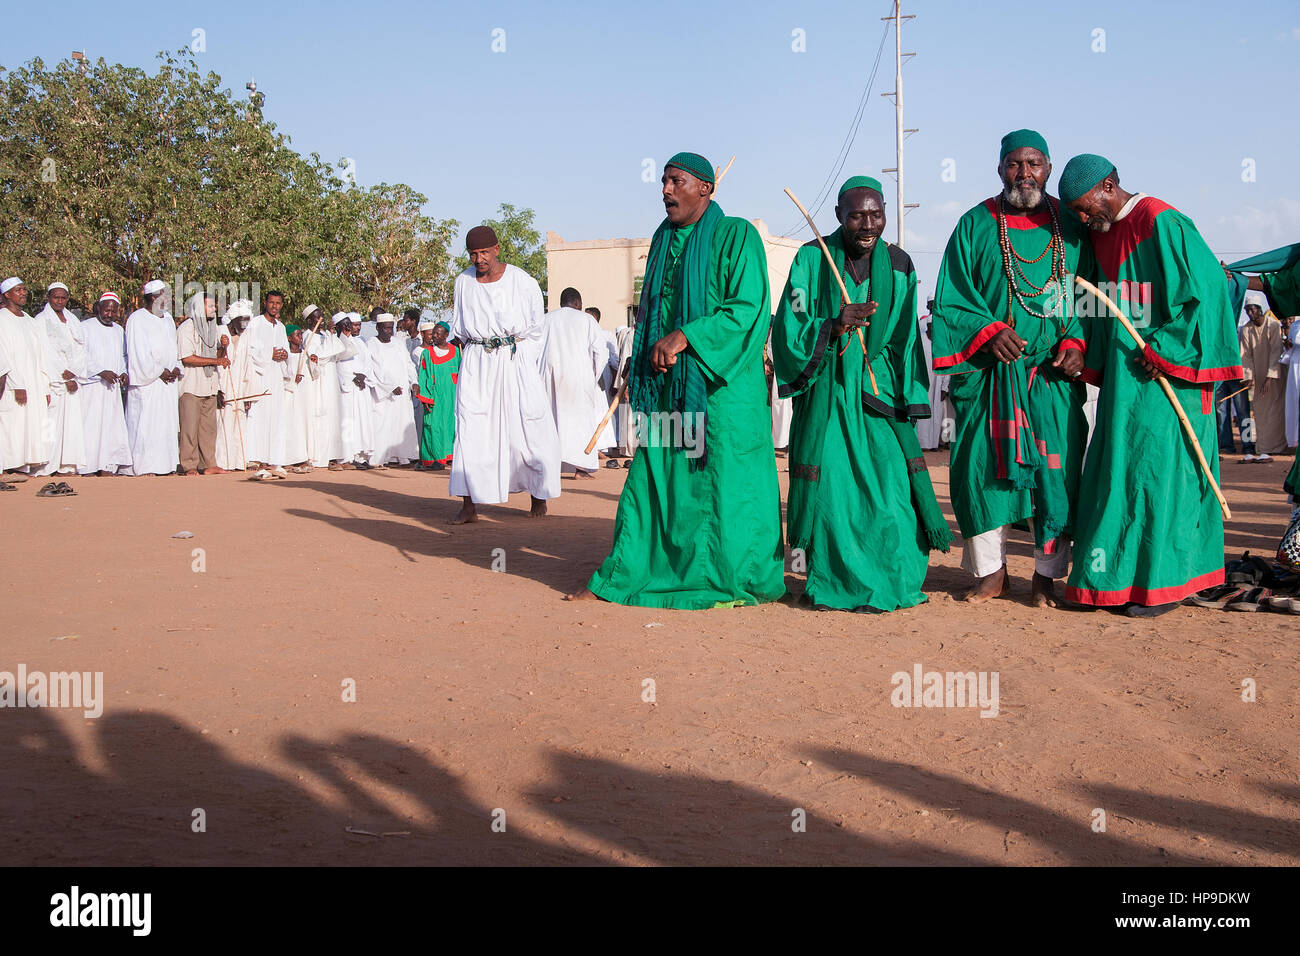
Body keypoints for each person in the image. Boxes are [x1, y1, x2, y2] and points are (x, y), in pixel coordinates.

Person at [569, 151, 784, 607]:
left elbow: (748, 310)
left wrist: (686, 336)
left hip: (722, 393)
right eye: (663, 182)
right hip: (667, 389)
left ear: (705, 187)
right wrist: (642, 354)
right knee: (656, 478)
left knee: (726, 484)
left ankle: (730, 577)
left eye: (676, 181)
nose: (665, 190)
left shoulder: (736, 235)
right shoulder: (663, 238)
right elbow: (651, 313)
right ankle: (631, 573)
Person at [1059, 154, 1242, 616]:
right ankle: (1112, 581)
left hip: (1171, 381)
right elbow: (1090, 302)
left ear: (1109, 186)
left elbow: (1211, 292)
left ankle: (1163, 586)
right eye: (1076, 213)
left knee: (1162, 477)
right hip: (1126, 381)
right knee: (1119, 471)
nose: (1083, 219)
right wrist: (1081, 345)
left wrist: (1169, 348)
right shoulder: (1100, 237)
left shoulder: (1162, 221)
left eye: (1085, 207)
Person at [773, 175, 949, 612]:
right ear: (838, 216)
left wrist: (905, 391)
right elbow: (788, 325)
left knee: (893, 494)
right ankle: (836, 583)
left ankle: (895, 580)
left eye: (876, 214)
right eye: (856, 216)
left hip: (880, 391)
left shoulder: (902, 263)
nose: (868, 225)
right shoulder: (811, 259)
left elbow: (908, 335)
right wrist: (833, 323)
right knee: (835, 497)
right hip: (830, 392)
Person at [932, 130, 1093, 607]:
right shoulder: (975, 224)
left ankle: (1047, 577)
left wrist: (1077, 341)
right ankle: (990, 573)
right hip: (989, 377)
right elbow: (951, 300)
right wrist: (988, 332)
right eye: (1014, 165)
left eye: (1035, 164)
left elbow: (1090, 292)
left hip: (1051, 377)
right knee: (982, 472)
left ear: (1048, 167)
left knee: (1056, 474)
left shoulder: (1071, 224)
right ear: (1000, 168)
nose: (1025, 174)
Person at [447, 225, 560, 522]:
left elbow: (537, 329)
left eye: (484, 252)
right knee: (471, 429)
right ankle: (468, 505)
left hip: (515, 362)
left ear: (496, 249)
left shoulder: (522, 281)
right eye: (473, 253)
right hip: (476, 364)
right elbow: (459, 326)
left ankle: (538, 498)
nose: (479, 259)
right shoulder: (463, 282)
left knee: (526, 429)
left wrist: (521, 361)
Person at [540, 287, 608, 479]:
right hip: (579, 377)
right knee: (580, 422)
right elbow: (601, 353)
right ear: (578, 303)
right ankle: (581, 469)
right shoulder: (587, 320)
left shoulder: (546, 320)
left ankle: (550, 467)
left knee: (551, 421)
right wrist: (592, 378)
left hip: (549, 376)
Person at [124, 279, 182, 476]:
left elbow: (173, 348)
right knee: (146, 426)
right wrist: (159, 371)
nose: (167, 298)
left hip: (167, 384)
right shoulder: (137, 319)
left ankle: (166, 466)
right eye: (163, 294)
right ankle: (144, 467)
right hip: (148, 384)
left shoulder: (168, 320)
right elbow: (137, 352)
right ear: (152, 297)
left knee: (165, 425)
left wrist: (175, 368)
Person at [0, 278, 52, 480]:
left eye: (24, 289)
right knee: (12, 424)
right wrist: (16, 384)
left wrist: (45, 387)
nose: (23, 293)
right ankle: (9, 465)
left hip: (35, 383)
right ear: (7, 294)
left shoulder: (30, 321)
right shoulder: (2, 319)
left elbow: (40, 355)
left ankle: (22, 466)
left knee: (30, 425)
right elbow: (3, 355)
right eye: (18, 290)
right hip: (15, 384)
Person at [77, 292, 133, 476]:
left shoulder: (119, 330)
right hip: (92, 387)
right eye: (106, 310)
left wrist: (124, 372)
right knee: (91, 427)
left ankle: (107, 466)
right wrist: (100, 371)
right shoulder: (84, 327)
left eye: (113, 310)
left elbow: (123, 356)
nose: (109, 314)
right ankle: (88, 467)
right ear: (98, 309)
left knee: (111, 428)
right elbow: (80, 356)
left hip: (111, 389)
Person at [35, 281, 87, 476]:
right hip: (53, 380)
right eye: (56, 297)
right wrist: (63, 375)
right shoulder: (41, 320)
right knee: (50, 425)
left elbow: (82, 348)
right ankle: (45, 465)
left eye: (63, 297)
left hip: (73, 380)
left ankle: (67, 465)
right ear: (48, 297)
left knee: (71, 425)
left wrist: (74, 372)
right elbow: (44, 351)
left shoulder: (73, 319)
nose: (59, 301)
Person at [176, 292, 230, 475]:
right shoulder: (187, 327)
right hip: (191, 385)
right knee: (189, 428)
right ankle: (189, 465)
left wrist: (223, 347)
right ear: (199, 307)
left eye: (214, 306)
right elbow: (187, 357)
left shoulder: (212, 328)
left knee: (209, 429)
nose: (214, 309)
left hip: (209, 384)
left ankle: (208, 464)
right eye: (210, 306)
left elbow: (219, 357)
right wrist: (216, 361)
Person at [243, 291, 291, 478]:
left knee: (277, 418)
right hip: (260, 377)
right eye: (271, 302)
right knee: (259, 417)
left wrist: (284, 356)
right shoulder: (255, 324)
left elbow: (286, 350)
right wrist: (269, 355)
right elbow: (251, 350)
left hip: (277, 378)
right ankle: (256, 459)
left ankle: (275, 461)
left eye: (278, 303)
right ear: (265, 303)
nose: (275, 306)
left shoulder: (280, 327)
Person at [366, 313, 419, 467]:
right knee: (383, 425)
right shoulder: (371, 344)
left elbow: (408, 364)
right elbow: (373, 370)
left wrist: (413, 382)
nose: (389, 331)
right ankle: (381, 458)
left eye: (391, 328)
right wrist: (389, 388)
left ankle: (402, 457)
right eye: (386, 328)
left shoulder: (398, 343)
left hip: (402, 393)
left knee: (401, 424)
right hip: (383, 396)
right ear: (378, 328)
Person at [1238, 293, 1286, 460]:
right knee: (1258, 411)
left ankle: (1277, 446)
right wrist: (1249, 376)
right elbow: (1246, 356)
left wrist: (1270, 376)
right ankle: (1263, 447)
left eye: (1252, 310)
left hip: (1274, 376)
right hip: (1257, 377)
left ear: (1259, 310)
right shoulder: (1246, 329)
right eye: (1247, 311)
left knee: (1275, 410)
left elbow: (1276, 352)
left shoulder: (1273, 325)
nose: (1250, 314)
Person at [299, 305, 346, 470]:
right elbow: (315, 357)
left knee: (332, 416)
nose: (321, 320)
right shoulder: (307, 336)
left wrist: (331, 338)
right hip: (318, 380)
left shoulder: (327, 335)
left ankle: (332, 456)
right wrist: (327, 350)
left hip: (331, 379)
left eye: (322, 316)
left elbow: (339, 350)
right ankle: (319, 457)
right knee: (320, 416)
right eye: (317, 317)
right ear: (310, 320)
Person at [215, 300, 255, 473]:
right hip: (222, 386)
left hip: (239, 388)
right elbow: (215, 361)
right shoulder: (220, 332)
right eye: (242, 320)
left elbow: (248, 366)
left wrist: (249, 393)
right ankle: (221, 462)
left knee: (238, 424)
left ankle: (238, 461)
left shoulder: (245, 336)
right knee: (221, 424)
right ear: (233, 320)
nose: (245, 324)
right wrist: (217, 389)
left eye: (247, 320)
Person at [414, 319, 459, 470]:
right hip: (434, 396)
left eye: (438, 334)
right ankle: (434, 459)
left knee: (451, 425)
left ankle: (450, 456)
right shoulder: (427, 353)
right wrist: (426, 397)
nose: (434, 336)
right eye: (433, 333)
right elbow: (424, 376)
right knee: (432, 426)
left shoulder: (456, 352)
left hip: (452, 396)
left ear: (446, 335)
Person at [336, 312, 375, 469]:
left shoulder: (360, 343)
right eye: (350, 324)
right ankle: (347, 457)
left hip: (361, 388)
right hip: (346, 389)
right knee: (348, 423)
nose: (353, 328)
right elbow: (338, 364)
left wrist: (363, 376)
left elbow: (368, 363)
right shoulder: (336, 342)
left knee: (361, 423)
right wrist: (352, 378)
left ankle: (360, 457)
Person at [282, 324, 316, 472]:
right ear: (289, 338)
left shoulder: (305, 354)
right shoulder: (285, 355)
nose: (300, 338)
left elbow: (315, 374)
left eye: (301, 335)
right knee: (291, 425)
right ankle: (287, 459)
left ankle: (303, 457)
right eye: (297, 335)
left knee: (304, 424)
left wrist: (314, 362)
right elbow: (282, 375)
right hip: (290, 395)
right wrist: (292, 379)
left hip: (304, 395)